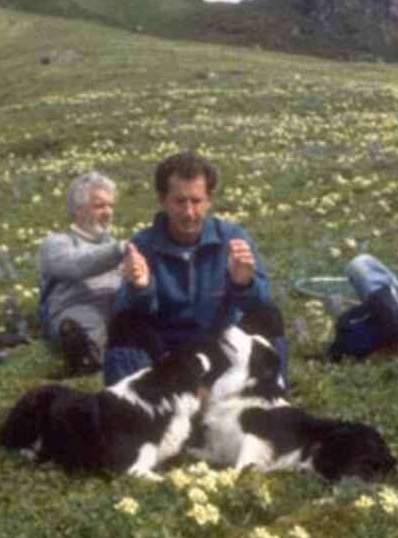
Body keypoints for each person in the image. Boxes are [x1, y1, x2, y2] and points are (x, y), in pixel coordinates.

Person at [106, 151, 283, 386]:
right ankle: (129, 412)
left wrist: (244, 284)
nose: (189, 213)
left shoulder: (232, 238)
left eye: (197, 201)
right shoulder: (143, 244)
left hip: (219, 346)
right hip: (165, 351)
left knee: (268, 315)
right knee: (123, 323)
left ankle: (269, 402)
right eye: (180, 201)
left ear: (209, 200)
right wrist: (141, 288)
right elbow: (128, 309)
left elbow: (259, 300)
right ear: (163, 200)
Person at [37, 171, 126, 374]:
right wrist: (118, 251)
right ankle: (84, 353)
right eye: (99, 206)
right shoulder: (57, 243)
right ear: (78, 210)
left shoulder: (115, 245)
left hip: (117, 305)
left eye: (110, 205)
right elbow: (74, 265)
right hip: (77, 306)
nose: (108, 212)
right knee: (84, 322)